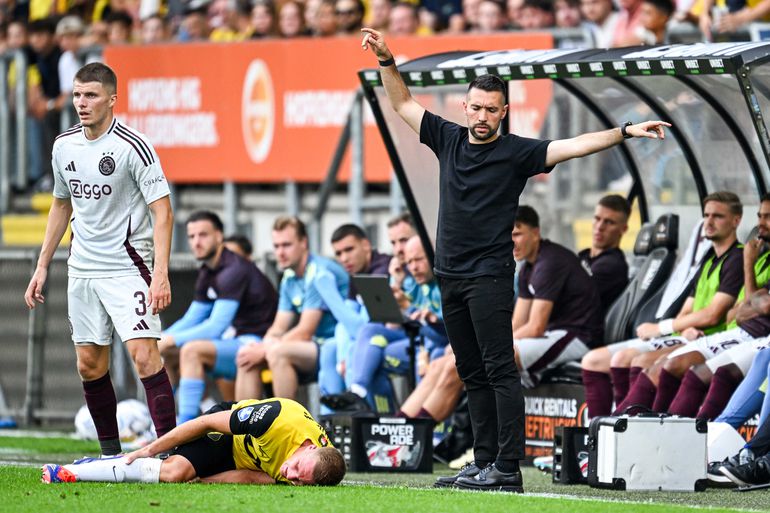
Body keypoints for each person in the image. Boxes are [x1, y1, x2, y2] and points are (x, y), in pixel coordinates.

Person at [360, 26, 669, 492]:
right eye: (476, 108)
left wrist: (625, 131)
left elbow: (575, 144)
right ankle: (484, 462)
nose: (483, 116)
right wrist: (387, 61)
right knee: (471, 371)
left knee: (499, 367)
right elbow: (402, 104)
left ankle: (508, 468)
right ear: (465, 107)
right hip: (450, 276)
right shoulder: (447, 137)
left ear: (504, 111)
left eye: (491, 110)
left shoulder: (517, 152)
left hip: (488, 275)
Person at [24, 62, 175, 457]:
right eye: (76, 95)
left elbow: (163, 210)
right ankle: (110, 455)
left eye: (90, 95)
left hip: (128, 267)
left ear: (112, 99)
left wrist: (160, 274)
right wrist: (42, 265)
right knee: (89, 365)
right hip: (82, 269)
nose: (81, 103)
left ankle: (172, 453)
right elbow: (60, 204)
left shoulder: (133, 146)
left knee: (144, 357)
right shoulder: (64, 145)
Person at [583, 192, 744, 418]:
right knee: (612, 360)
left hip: (712, 338)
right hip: (690, 334)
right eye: (706, 215)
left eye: (717, 216)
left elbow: (712, 315)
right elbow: (688, 308)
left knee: (646, 363)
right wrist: (683, 326)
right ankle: (614, 428)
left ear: (736, 220)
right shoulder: (709, 258)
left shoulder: (738, 258)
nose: (708, 222)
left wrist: (661, 328)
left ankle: (624, 424)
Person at [42, 398, 346, 486]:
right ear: (309, 447)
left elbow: (255, 476)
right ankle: (77, 470)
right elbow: (206, 422)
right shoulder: (276, 419)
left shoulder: (308, 472)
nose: (289, 474)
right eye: (295, 470)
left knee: (190, 477)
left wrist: (205, 480)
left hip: (243, 459)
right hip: (225, 430)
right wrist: (151, 447)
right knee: (175, 471)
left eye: (297, 479)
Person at [158, 211, 278, 424]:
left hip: (257, 342)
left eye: (203, 235)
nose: (196, 242)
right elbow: (193, 317)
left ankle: (184, 427)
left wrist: (170, 339)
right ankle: (161, 425)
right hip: (234, 341)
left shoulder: (233, 269)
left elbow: (216, 327)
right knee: (168, 353)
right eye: (191, 236)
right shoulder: (208, 270)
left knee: (191, 350)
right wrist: (162, 339)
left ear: (219, 236)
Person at [664, 196, 770, 419]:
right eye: (760, 216)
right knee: (660, 366)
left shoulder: (746, 256)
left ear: (735, 220)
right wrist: (750, 306)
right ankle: (655, 432)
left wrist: (747, 264)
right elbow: (738, 313)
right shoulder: (759, 258)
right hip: (741, 330)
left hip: (754, 336)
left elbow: (757, 306)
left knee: (710, 372)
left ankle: (706, 441)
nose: (760, 223)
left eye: (768, 217)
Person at [321, 235, 446, 413]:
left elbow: (443, 335)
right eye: (394, 242)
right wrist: (397, 283)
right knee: (370, 336)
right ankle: (365, 400)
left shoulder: (442, 281)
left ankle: (433, 434)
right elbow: (390, 326)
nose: (413, 266)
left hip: (435, 345)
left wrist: (409, 309)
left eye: (418, 259)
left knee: (436, 352)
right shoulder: (408, 278)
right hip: (413, 340)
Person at [235, 216, 348, 401]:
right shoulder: (289, 277)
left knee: (278, 353)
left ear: (303, 243)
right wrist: (262, 346)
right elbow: (278, 327)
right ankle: (242, 426)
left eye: (286, 245)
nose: (280, 252)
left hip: (336, 346)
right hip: (313, 347)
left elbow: (304, 331)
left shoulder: (318, 272)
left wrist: (264, 349)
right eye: (277, 246)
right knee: (246, 357)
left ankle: (287, 425)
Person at [512, 206, 604, 387]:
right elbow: (517, 323)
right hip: (553, 334)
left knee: (498, 357)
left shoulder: (550, 262)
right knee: (462, 359)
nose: (511, 242)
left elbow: (535, 327)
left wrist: (491, 347)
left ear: (536, 233)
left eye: (517, 234)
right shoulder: (526, 269)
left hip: (578, 336)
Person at [578, 194, 630, 316]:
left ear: (623, 229)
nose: (600, 227)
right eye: (597, 218)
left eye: (609, 222)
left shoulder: (612, 266)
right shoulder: (584, 256)